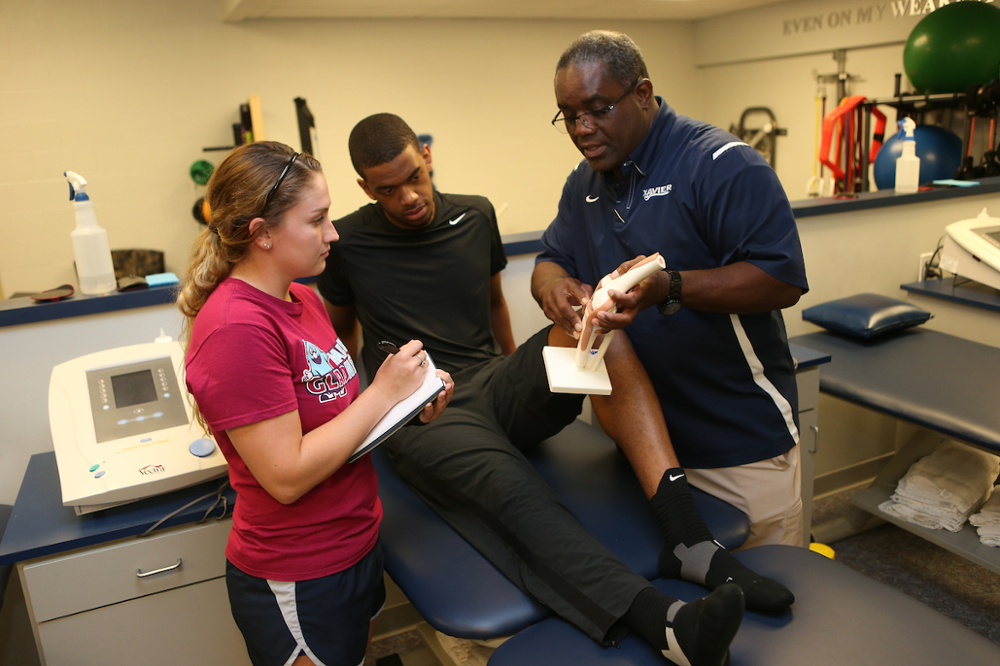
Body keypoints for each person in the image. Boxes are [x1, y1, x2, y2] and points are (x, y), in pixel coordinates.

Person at [319, 113, 794, 666]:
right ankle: (662, 622)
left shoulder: (475, 213)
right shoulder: (348, 241)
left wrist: (515, 371)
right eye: (387, 190)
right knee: (514, 487)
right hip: (421, 406)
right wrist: (362, 419)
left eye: (412, 178)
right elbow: (340, 335)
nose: (407, 197)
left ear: (425, 156)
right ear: (364, 189)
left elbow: (495, 303)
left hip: (491, 379)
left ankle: (687, 537)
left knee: (600, 334)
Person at [533, 30, 809, 553]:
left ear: (642, 93)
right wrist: (556, 290)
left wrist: (670, 286)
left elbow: (782, 277)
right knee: (687, 606)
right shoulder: (584, 182)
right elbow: (551, 260)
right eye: (568, 115)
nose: (582, 129)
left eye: (597, 109)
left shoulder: (722, 164)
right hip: (643, 448)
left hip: (737, 446)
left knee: (768, 614)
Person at [178, 141, 453, 666]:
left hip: (355, 541)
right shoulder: (236, 326)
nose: (334, 233)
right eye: (318, 220)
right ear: (261, 233)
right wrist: (382, 393)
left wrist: (407, 404)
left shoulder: (302, 298)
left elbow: (338, 420)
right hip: (299, 569)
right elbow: (286, 475)